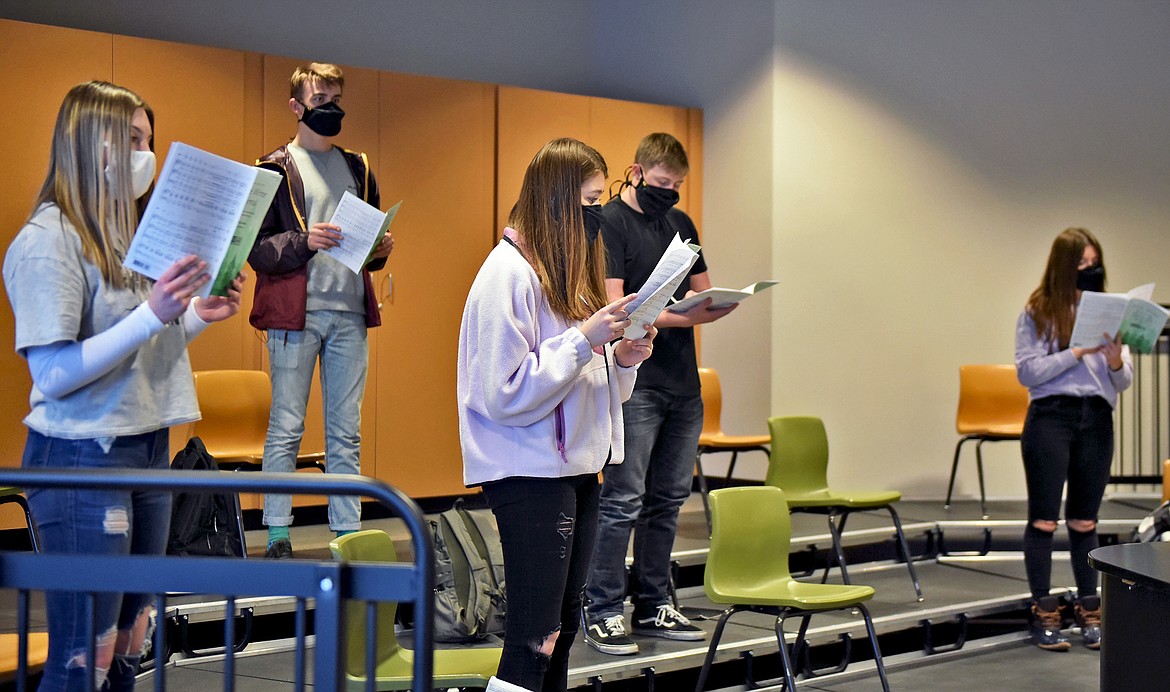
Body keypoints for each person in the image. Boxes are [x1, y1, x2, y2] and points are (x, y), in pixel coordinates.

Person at [2, 80, 244, 691]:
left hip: (148, 447)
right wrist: (154, 313)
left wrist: (193, 316)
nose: (146, 154)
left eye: (149, 141)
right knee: (87, 657)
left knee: (132, 646)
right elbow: (52, 373)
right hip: (83, 455)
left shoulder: (127, 237)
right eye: (133, 139)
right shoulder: (47, 240)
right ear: (92, 142)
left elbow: (140, 351)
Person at [457, 137, 656, 692]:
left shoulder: (564, 272)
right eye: (591, 203)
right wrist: (581, 342)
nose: (600, 215)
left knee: (562, 629)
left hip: (574, 468)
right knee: (534, 634)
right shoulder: (507, 275)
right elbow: (501, 391)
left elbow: (589, 384)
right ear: (558, 203)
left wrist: (620, 357)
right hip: (527, 470)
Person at [583, 132, 736, 655]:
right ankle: (602, 607)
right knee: (623, 498)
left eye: (677, 185)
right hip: (635, 380)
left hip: (681, 381)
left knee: (668, 499)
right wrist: (680, 315)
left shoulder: (681, 224)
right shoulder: (608, 222)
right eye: (662, 182)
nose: (669, 192)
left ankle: (653, 603)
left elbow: (702, 291)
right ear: (637, 170)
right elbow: (616, 305)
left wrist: (719, 303)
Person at [248, 62, 394, 559]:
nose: (331, 109)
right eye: (321, 100)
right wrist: (305, 239)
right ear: (296, 106)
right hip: (296, 314)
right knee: (286, 425)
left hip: (350, 312)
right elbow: (258, 251)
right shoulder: (272, 166)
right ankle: (276, 532)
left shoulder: (359, 166)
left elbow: (369, 245)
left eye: (336, 99)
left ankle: (346, 532)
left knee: (345, 430)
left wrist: (381, 247)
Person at [1015, 227, 1132, 651]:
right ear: (1064, 266)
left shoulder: (1109, 311)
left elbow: (1123, 383)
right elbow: (1027, 372)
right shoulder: (1038, 310)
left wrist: (1117, 362)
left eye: (1094, 263)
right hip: (1051, 417)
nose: (1090, 269)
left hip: (1096, 419)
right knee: (1044, 519)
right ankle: (1044, 611)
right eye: (1082, 263)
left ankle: (1089, 608)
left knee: (1085, 521)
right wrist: (1076, 352)